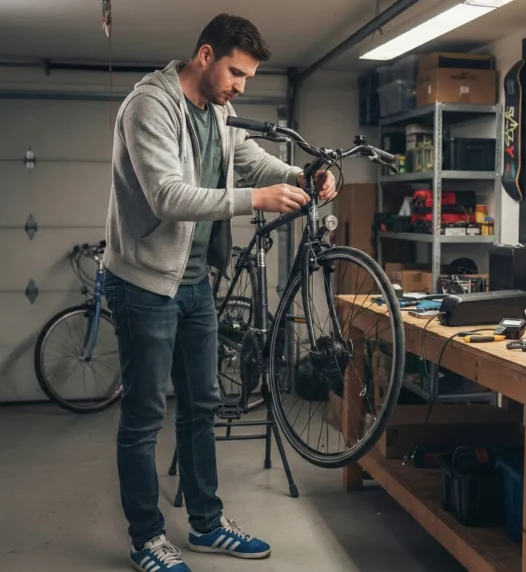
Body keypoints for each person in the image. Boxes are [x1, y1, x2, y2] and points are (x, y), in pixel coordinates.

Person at [102, 13, 337, 572]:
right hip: (142, 284)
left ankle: (206, 525)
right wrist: (255, 202)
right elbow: (166, 195)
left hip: (195, 286)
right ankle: (146, 540)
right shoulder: (149, 106)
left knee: (202, 407)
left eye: (249, 77)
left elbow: (250, 161)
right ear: (205, 55)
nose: (241, 86)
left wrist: (304, 177)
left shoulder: (220, 111)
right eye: (236, 72)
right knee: (142, 417)